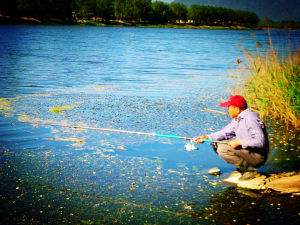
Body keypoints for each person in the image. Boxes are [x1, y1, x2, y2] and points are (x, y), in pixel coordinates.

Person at [194, 95, 269, 181]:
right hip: (249, 151)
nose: (227, 110)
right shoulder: (238, 119)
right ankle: (243, 168)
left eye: (229, 108)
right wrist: (207, 137)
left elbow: (260, 141)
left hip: (258, 156)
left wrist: (239, 142)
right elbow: (224, 133)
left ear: (237, 109)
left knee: (222, 148)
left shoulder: (250, 119)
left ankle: (250, 171)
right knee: (216, 143)